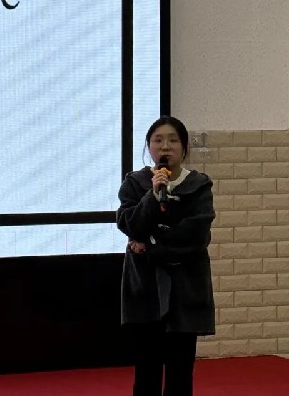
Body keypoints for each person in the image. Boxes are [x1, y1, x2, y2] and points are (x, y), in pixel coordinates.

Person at [116, 116, 216, 396]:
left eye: (173, 140)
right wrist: (152, 195)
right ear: (149, 146)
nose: (165, 147)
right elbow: (130, 224)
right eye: (158, 140)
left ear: (184, 148)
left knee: (180, 372)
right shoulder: (135, 184)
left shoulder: (199, 185)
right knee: (146, 370)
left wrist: (150, 245)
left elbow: (196, 236)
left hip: (186, 288)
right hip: (145, 286)